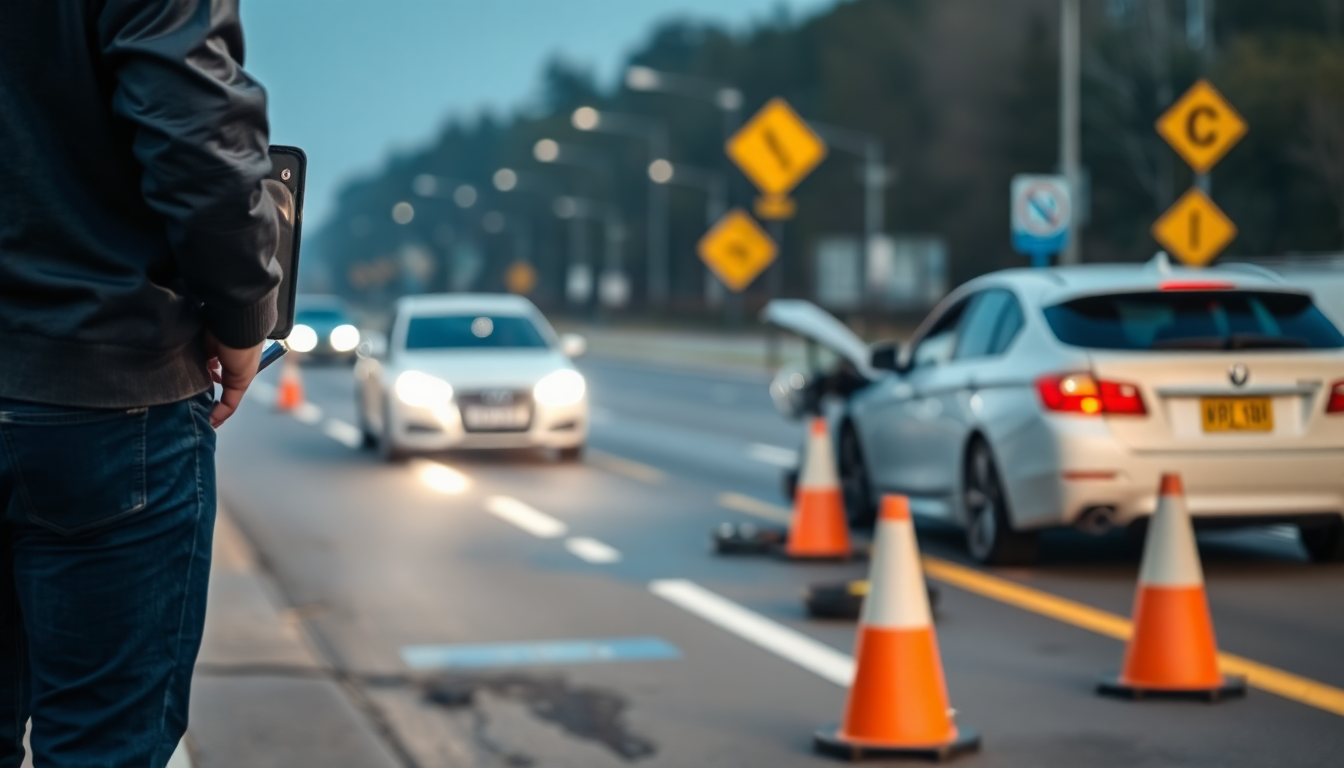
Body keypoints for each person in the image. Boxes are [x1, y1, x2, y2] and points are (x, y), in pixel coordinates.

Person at [0, 1, 281, 765]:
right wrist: (243, 315)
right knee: (102, 744)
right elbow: (197, 137)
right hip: (104, 391)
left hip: (99, 393)